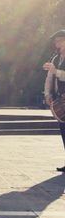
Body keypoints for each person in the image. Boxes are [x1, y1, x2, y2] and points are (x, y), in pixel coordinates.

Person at [43, 29, 65, 172]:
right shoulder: (56, 58)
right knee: (63, 131)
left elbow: (56, 74)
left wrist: (55, 71)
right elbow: (49, 78)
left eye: (59, 40)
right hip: (59, 100)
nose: (56, 43)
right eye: (55, 41)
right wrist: (47, 94)